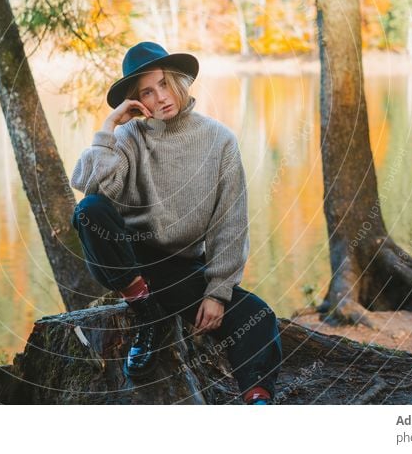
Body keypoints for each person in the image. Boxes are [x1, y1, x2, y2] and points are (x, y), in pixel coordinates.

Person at [70, 41, 283, 405]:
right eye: (147, 93)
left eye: (165, 84)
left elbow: (229, 224)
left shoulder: (219, 141)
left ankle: (257, 401)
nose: (161, 98)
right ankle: (146, 313)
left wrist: (217, 292)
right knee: (89, 210)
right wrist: (108, 128)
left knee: (257, 316)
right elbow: (94, 188)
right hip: (132, 261)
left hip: (181, 269)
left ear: (179, 82)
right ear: (137, 102)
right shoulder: (128, 138)